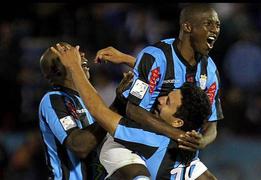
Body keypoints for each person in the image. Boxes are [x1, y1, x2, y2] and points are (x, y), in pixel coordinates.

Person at [50, 43, 217, 179]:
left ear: (177, 122)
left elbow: (98, 110)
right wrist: (127, 59)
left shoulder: (151, 138)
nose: (159, 98)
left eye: (167, 101)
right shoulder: (189, 152)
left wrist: (74, 67)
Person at [94, 3, 223, 178]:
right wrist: (178, 135)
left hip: (172, 149)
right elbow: (134, 110)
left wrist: (202, 141)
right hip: (132, 142)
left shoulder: (210, 71)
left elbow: (211, 123)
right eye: (209, 24)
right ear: (187, 26)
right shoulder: (156, 56)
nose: (215, 29)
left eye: (218, 25)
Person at [38, 42, 107, 180]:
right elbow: (79, 146)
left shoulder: (88, 100)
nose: (81, 54)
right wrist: (114, 109)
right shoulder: (52, 100)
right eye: (70, 53)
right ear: (57, 69)